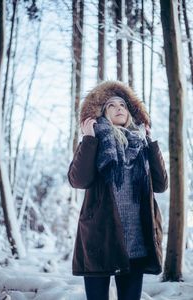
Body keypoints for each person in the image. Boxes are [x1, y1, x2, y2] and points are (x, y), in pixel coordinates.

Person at [67, 81, 168, 300]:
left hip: (136, 241)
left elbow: (161, 185)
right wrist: (89, 139)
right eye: (111, 105)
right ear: (101, 114)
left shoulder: (142, 146)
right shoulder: (95, 143)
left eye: (122, 104)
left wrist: (150, 143)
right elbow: (78, 180)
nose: (119, 108)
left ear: (131, 112)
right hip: (100, 240)